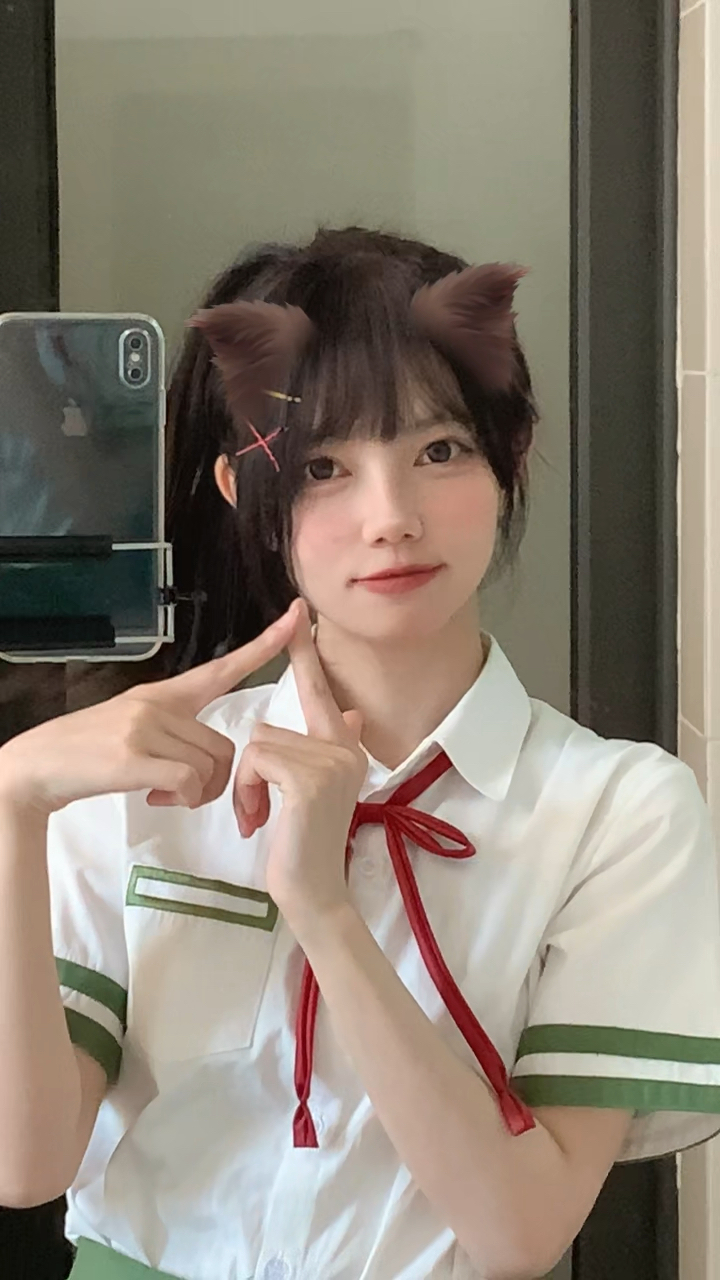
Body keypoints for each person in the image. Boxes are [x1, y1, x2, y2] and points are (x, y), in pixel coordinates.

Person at [0, 226, 719, 1280]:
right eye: (323, 467)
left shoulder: (618, 810)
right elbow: (26, 1163)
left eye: (440, 450)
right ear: (247, 495)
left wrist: (323, 907)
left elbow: (521, 1232)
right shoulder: (149, 778)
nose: (391, 518)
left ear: (512, 455)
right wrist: (14, 807)